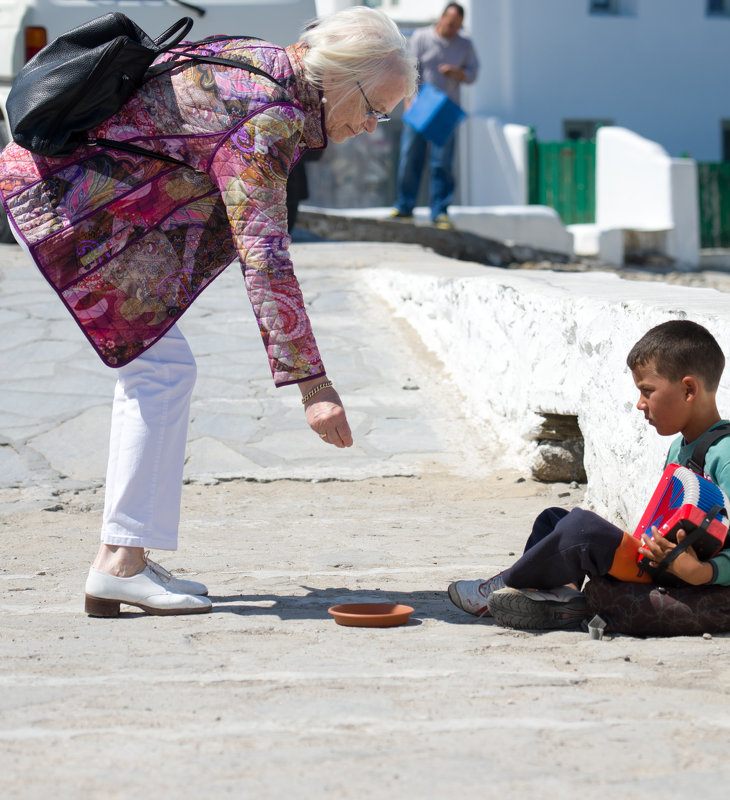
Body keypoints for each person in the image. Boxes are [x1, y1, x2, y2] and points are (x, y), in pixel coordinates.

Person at [0, 6, 417, 617]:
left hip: (65, 191)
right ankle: (119, 564)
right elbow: (265, 256)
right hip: (65, 204)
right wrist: (314, 387)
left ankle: (125, 557)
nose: (372, 127)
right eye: (375, 108)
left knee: (160, 371)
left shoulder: (267, 64)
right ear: (342, 77)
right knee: (161, 373)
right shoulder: (269, 119)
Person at [447, 320, 730, 631]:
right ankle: (560, 595)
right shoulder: (680, 448)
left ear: (688, 390)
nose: (640, 404)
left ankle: (504, 588)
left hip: (697, 579)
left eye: (647, 391)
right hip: (662, 562)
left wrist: (700, 570)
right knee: (555, 519)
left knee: (583, 530)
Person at [390, 2, 478, 229]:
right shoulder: (421, 37)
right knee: (410, 158)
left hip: (447, 108)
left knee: (442, 163)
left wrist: (458, 73)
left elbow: (473, 72)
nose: (451, 29)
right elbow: (410, 70)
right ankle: (404, 207)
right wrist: (409, 102)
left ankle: (440, 212)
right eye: (449, 24)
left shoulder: (465, 44)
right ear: (441, 18)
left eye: (456, 26)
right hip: (421, 106)